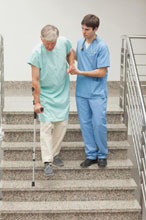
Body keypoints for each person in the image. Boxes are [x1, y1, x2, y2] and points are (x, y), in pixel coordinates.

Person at [28, 24, 74, 176]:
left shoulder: (64, 42)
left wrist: (71, 64)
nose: (49, 46)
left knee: (61, 125)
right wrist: (37, 102)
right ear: (41, 39)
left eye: (52, 43)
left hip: (62, 92)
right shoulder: (36, 52)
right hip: (46, 94)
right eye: (46, 43)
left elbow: (70, 52)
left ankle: (54, 154)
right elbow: (35, 80)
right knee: (47, 127)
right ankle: (47, 161)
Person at [69, 14, 110, 168]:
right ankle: (91, 154)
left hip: (97, 93)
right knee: (85, 124)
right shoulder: (80, 43)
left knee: (98, 123)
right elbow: (77, 55)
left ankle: (102, 154)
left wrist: (79, 72)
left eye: (87, 29)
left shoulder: (102, 46)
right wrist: (71, 61)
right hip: (82, 92)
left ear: (95, 29)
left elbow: (101, 72)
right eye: (82, 28)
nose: (83, 32)